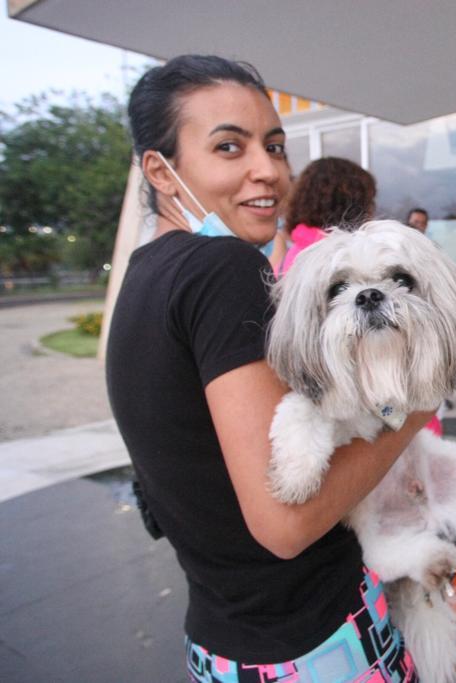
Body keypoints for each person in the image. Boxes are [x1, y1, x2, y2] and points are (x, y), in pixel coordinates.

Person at [106, 55, 430, 680]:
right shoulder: (221, 270)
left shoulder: (147, 273)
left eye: (275, 146)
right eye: (230, 147)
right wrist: (417, 406)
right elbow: (285, 522)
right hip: (310, 642)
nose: (269, 171)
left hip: (224, 639)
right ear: (160, 170)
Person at [276, 156, 376, 276]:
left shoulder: (295, 250)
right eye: (370, 201)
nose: (372, 209)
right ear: (354, 205)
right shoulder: (339, 259)